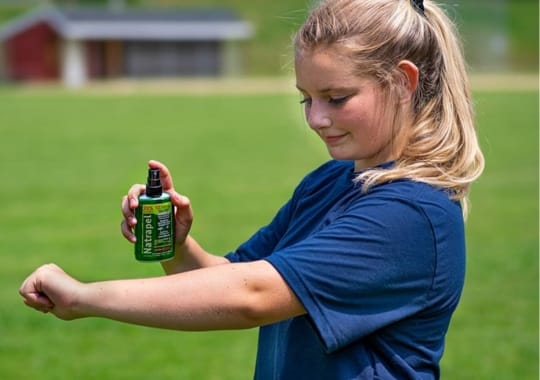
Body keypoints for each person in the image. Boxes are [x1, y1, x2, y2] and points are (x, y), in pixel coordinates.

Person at [19, 0, 484, 378]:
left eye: (337, 98)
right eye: (307, 98)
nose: (316, 119)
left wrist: (83, 296)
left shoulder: (411, 213)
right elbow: (228, 276)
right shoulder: (330, 182)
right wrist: (178, 246)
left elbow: (251, 297)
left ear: (403, 82)